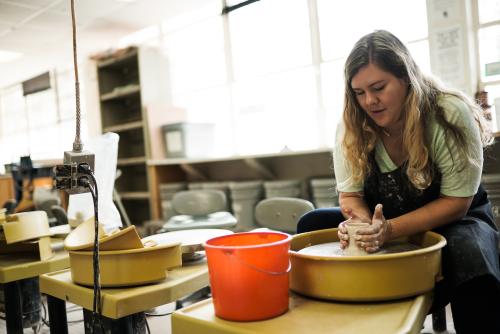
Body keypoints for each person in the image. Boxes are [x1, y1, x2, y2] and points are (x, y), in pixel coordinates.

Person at [296, 30, 500, 333]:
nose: (370, 101)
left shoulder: (447, 113)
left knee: (468, 250)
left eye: (379, 87)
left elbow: (457, 203)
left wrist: (388, 230)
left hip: (458, 219)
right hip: (387, 218)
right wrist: (364, 227)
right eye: (359, 92)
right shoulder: (352, 125)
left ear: (406, 77)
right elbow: (350, 197)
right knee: (310, 225)